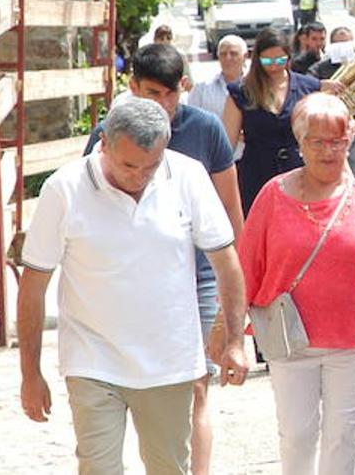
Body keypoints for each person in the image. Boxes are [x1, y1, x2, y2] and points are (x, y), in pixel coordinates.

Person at [18, 98, 249, 475]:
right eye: (129, 165)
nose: (139, 176)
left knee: (170, 468)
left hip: (168, 362)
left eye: (151, 166)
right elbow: (33, 285)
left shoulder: (187, 176)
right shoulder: (64, 188)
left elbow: (226, 262)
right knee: (98, 469)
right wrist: (30, 372)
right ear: (104, 143)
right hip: (92, 359)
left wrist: (236, 340)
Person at [83, 45, 244, 475]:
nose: (164, 105)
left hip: (201, 274)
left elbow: (231, 210)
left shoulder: (205, 129)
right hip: (135, 282)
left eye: (172, 94)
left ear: (184, 89)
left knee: (196, 386)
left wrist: (238, 295)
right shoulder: (109, 133)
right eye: (153, 93)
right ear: (132, 88)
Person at [230, 92, 355, 475]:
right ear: (300, 144)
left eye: (337, 141)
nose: (328, 151)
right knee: (296, 435)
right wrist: (229, 333)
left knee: (343, 435)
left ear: (350, 140)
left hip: (351, 337)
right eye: (317, 141)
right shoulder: (272, 195)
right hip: (289, 338)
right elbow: (246, 265)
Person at [222, 28, 331, 216]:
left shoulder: (308, 86)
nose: (273, 66)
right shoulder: (241, 91)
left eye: (280, 60)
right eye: (267, 61)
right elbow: (225, 147)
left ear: (289, 58)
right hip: (255, 175)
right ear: (257, 59)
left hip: (299, 174)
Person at [309, 26, 355, 182]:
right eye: (339, 44)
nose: (343, 48)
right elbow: (307, 91)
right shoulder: (319, 69)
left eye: (347, 43)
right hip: (328, 136)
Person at [188, 35, 247, 122]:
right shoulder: (202, 88)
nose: (228, 58)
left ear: (245, 56)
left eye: (233, 53)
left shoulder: (256, 87)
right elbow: (190, 120)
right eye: (223, 54)